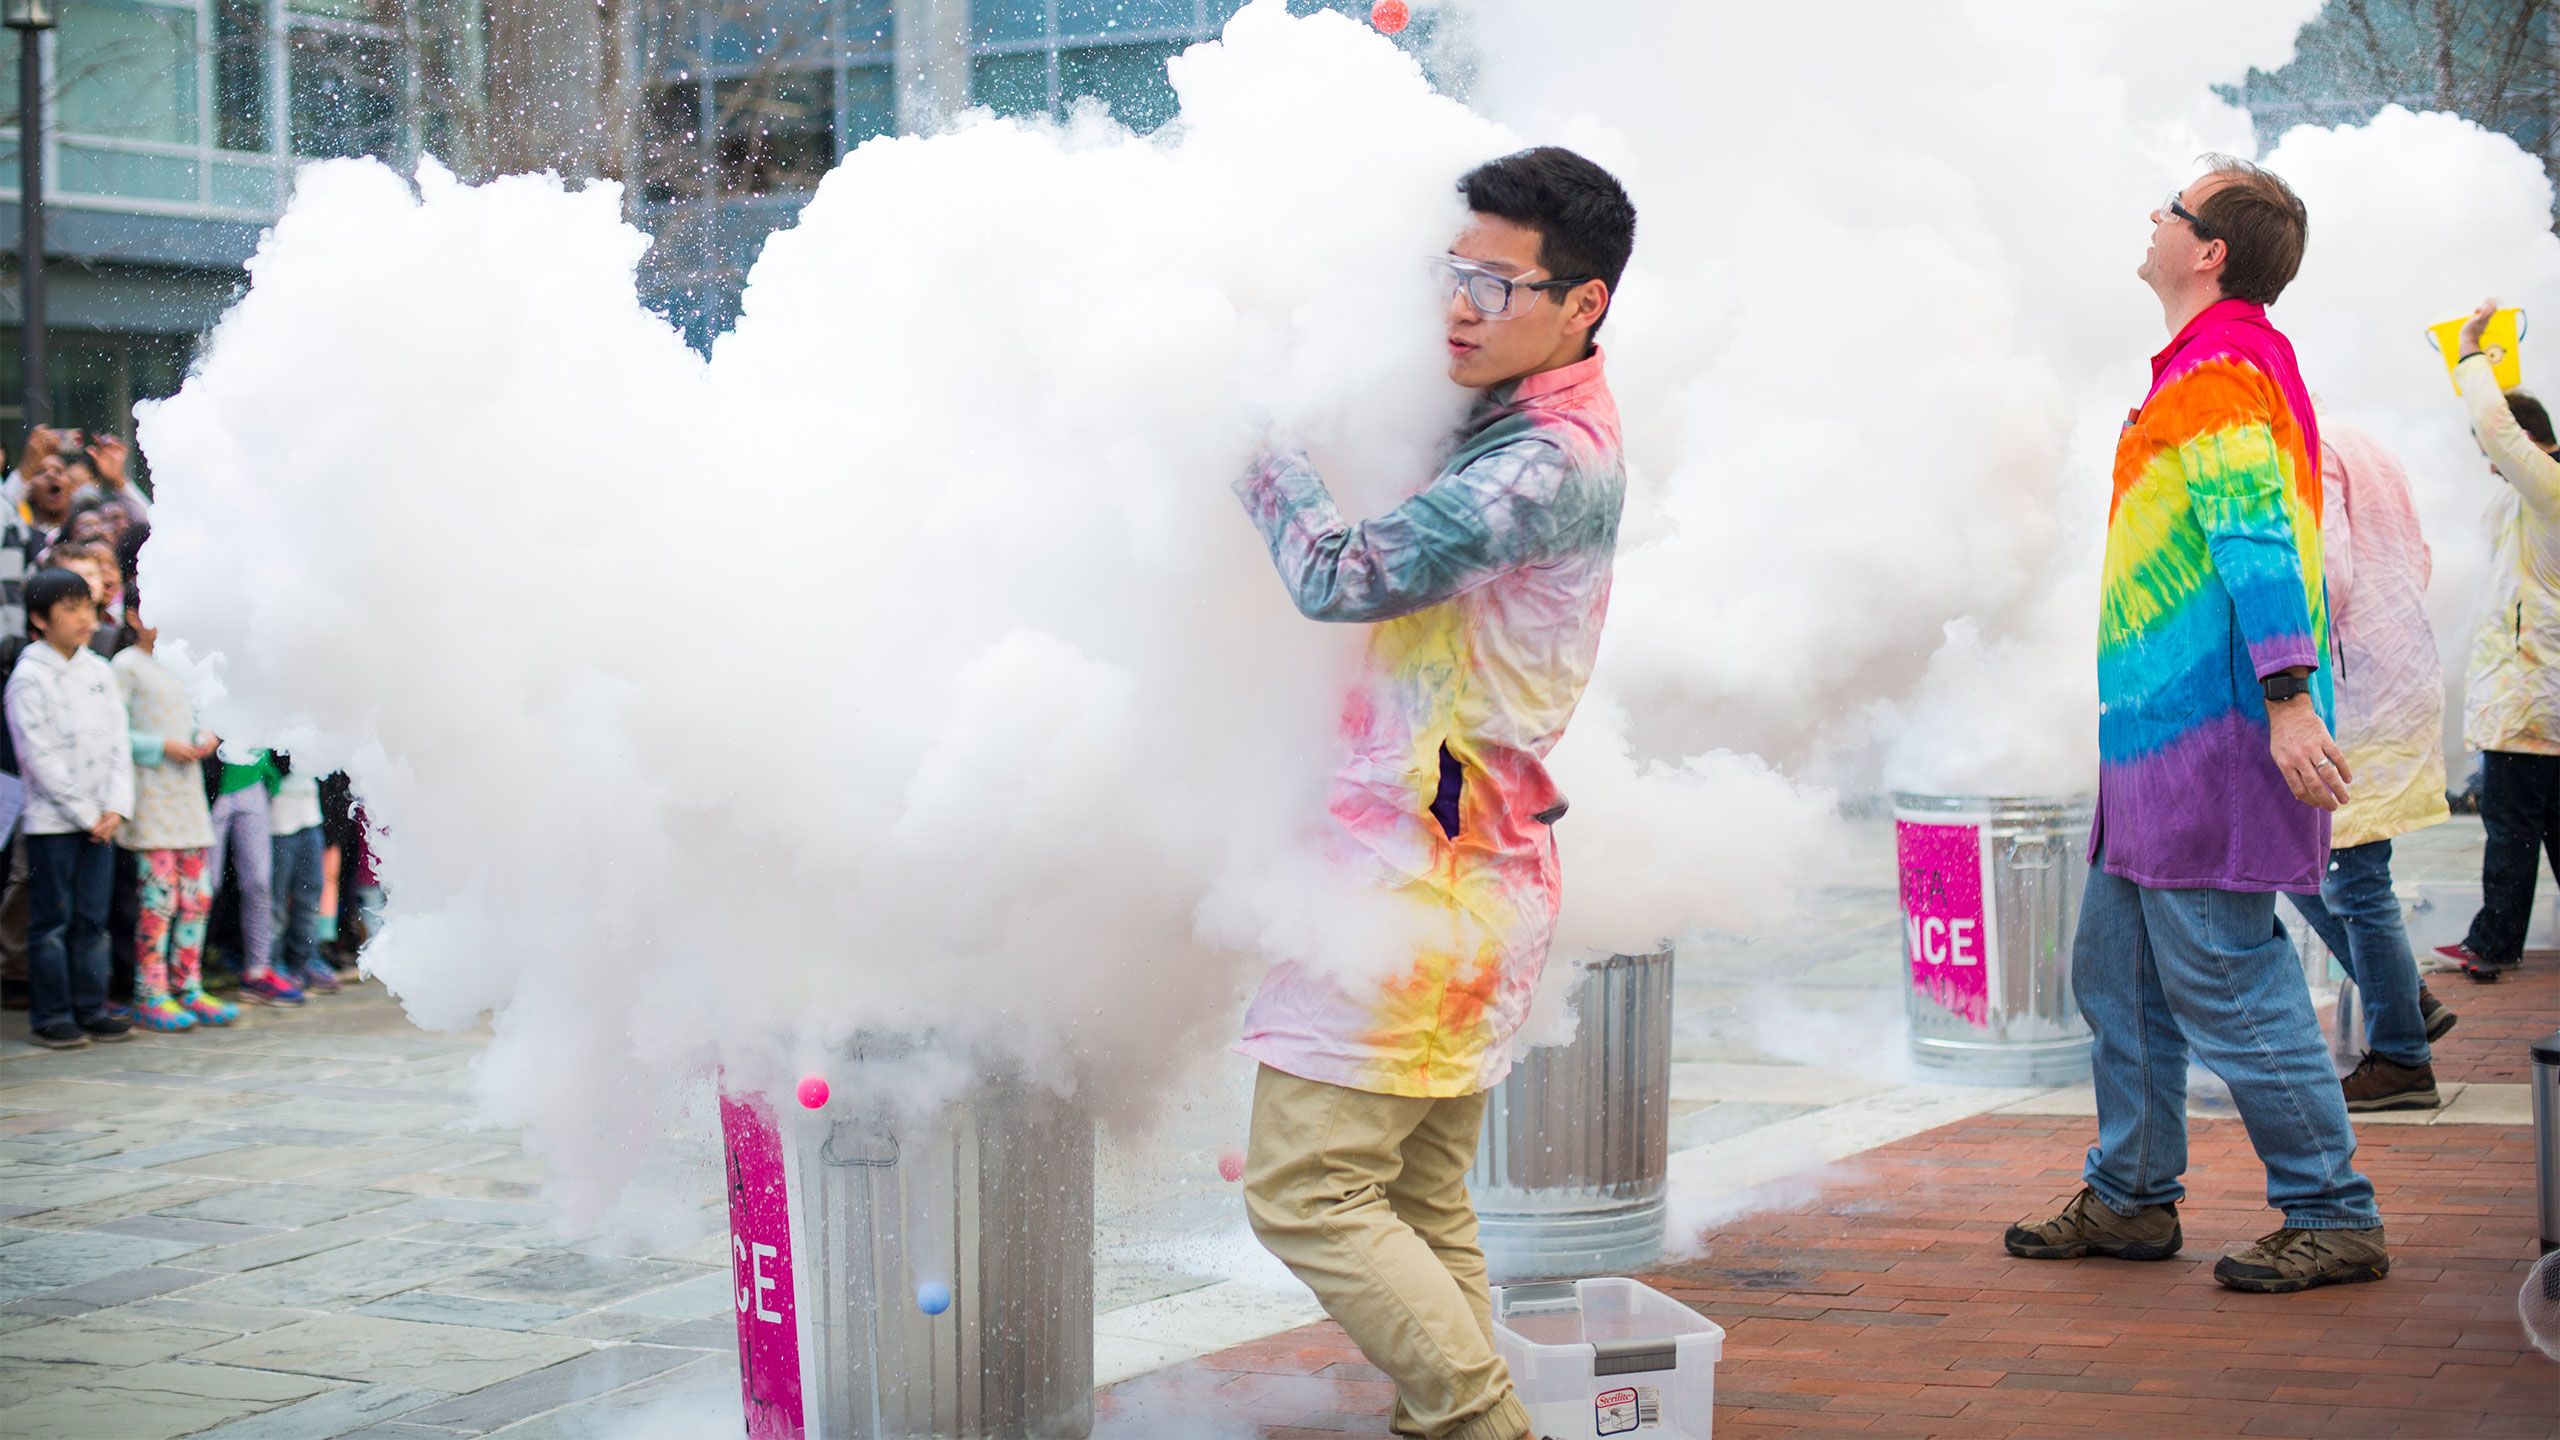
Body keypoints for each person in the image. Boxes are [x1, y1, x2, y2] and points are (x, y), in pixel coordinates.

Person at [1232, 147, 1635, 1439]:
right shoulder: (1513, 425)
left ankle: (1483, 1430)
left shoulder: (1542, 463)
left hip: (1419, 881)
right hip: (1457, 869)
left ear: (1585, 304)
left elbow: (1341, 576)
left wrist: (1243, 433)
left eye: (1497, 284)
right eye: (1451, 273)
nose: (1461, 305)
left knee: (1307, 1192)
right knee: (1414, 1201)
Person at [2005, 157, 2386, 1293]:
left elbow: (2257, 537)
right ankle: (2129, 1196)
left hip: (2209, 742)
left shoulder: (2222, 368)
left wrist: (2284, 697)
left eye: (2170, 209)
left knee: (2225, 977)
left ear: (2207, 250)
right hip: (2155, 743)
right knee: (2116, 975)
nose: (2154, 218)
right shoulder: (2203, 368)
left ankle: (2331, 1210)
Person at [2284, 423, 2456, 1109]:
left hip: (2353, 691)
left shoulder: (2310, 445)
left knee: (2349, 878)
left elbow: (2326, 572)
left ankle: (2403, 1057)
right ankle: (2403, 998)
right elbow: (2421, 559)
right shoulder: (2372, 446)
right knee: (2315, 867)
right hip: (2396, 674)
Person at [2432, 298, 2560, 984]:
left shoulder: (2549, 489)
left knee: (2510, 828)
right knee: (2548, 825)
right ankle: (2498, 938)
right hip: (2539, 703)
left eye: (2497, 456)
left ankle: (2494, 942)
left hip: (2529, 702)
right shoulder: (2531, 499)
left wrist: (2473, 352)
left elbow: (2495, 424)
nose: (2490, 465)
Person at [7, 567, 133, 1049]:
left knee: (92, 921)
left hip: (104, 819)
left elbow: (118, 742)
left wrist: (116, 807)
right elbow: (38, 758)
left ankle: (91, 1006)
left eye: (87, 606)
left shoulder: (98, 670)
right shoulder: (29, 676)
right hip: (53, 823)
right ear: (40, 619)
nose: (85, 618)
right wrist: (87, 814)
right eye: (70, 609)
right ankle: (53, 1013)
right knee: (53, 922)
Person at [112, 588, 232, 1032]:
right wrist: (161, 745)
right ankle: (151, 992)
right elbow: (112, 731)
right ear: (132, 615)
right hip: (151, 796)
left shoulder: (182, 664)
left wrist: (209, 736)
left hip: (188, 797)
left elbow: (207, 712)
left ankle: (189, 984)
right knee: (158, 899)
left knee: (197, 895)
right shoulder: (125, 666)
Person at [206, 746, 301, 1006]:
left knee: (259, 883)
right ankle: (182, 977)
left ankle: (258, 971)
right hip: (210, 785)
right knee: (206, 885)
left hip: (252, 783)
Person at [268, 757, 336, 995]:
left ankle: (305, 958)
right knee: (276, 898)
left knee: (311, 893)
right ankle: (273, 963)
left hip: (311, 816)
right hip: (278, 820)